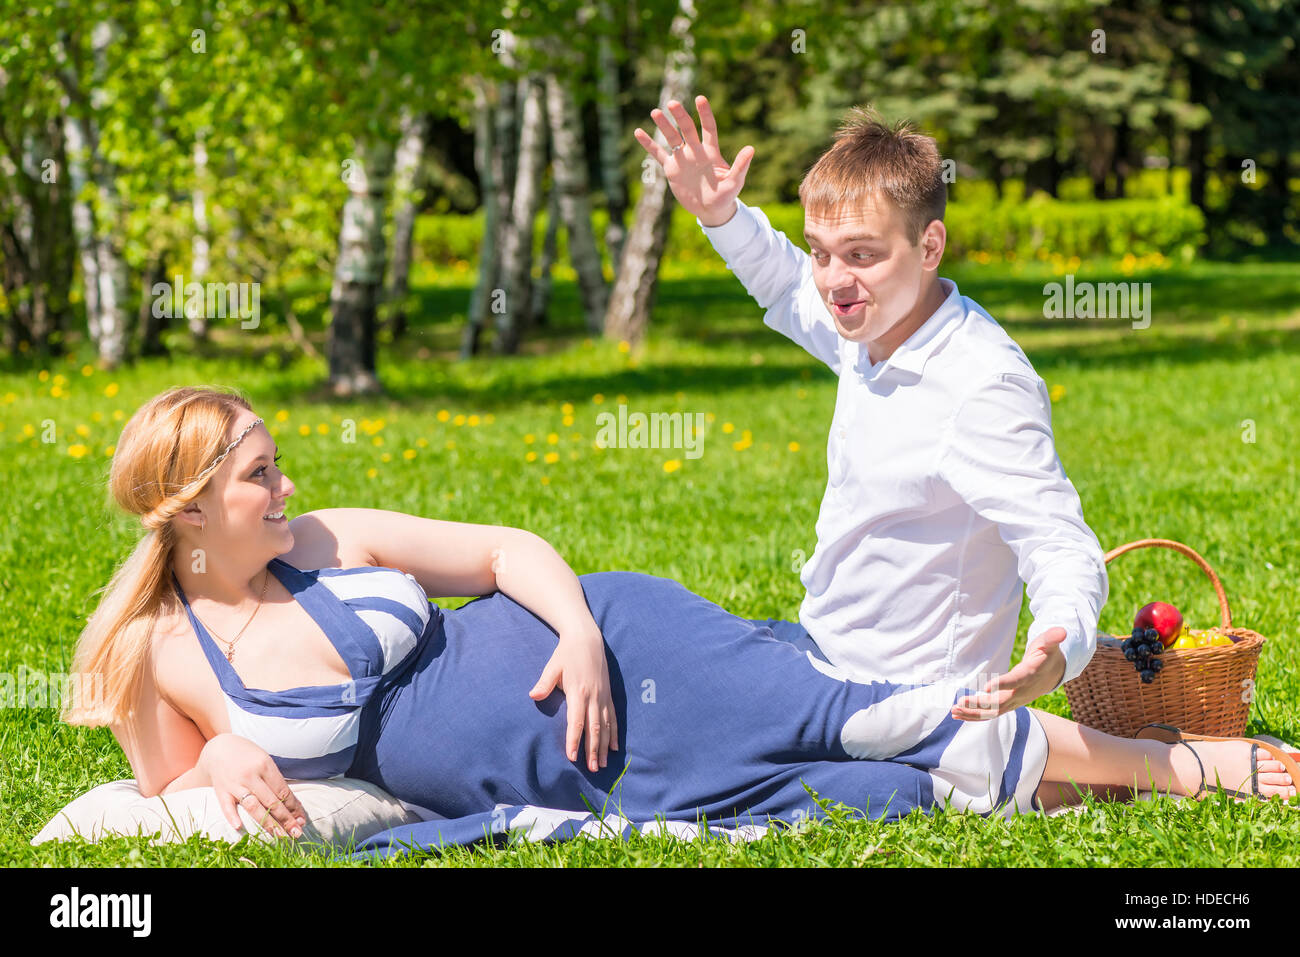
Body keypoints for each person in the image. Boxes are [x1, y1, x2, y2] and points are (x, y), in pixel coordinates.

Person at [59, 388, 1299, 858]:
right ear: (188, 515)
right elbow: (167, 809)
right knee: (858, 797)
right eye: (258, 478)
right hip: (570, 772)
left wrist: (580, 637)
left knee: (863, 720)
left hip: (615, 649)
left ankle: (1180, 763)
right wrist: (224, 751)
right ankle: (1122, 783)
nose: (287, 488)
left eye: (279, 466)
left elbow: (504, 552)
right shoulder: (153, 658)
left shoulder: (326, 538)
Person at [634, 97, 1108, 722]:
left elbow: (1058, 540)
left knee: (675, 734)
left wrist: (1060, 642)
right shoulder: (873, 323)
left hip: (903, 702)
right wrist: (721, 214)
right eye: (821, 252)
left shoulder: (980, 383)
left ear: (930, 244)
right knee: (638, 622)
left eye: (861, 254)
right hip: (821, 658)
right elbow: (784, 282)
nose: (833, 280)